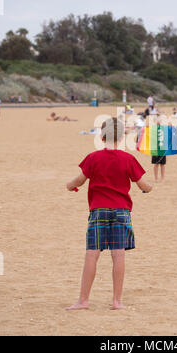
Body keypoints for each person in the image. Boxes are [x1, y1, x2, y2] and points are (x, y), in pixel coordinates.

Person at [66, 118, 152, 311]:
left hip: (98, 210)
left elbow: (79, 181)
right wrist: (150, 188)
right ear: (121, 137)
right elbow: (142, 185)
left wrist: (69, 186)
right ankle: (116, 301)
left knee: (91, 255)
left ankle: (83, 300)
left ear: (102, 136)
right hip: (121, 211)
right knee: (118, 255)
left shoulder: (93, 158)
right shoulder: (128, 159)